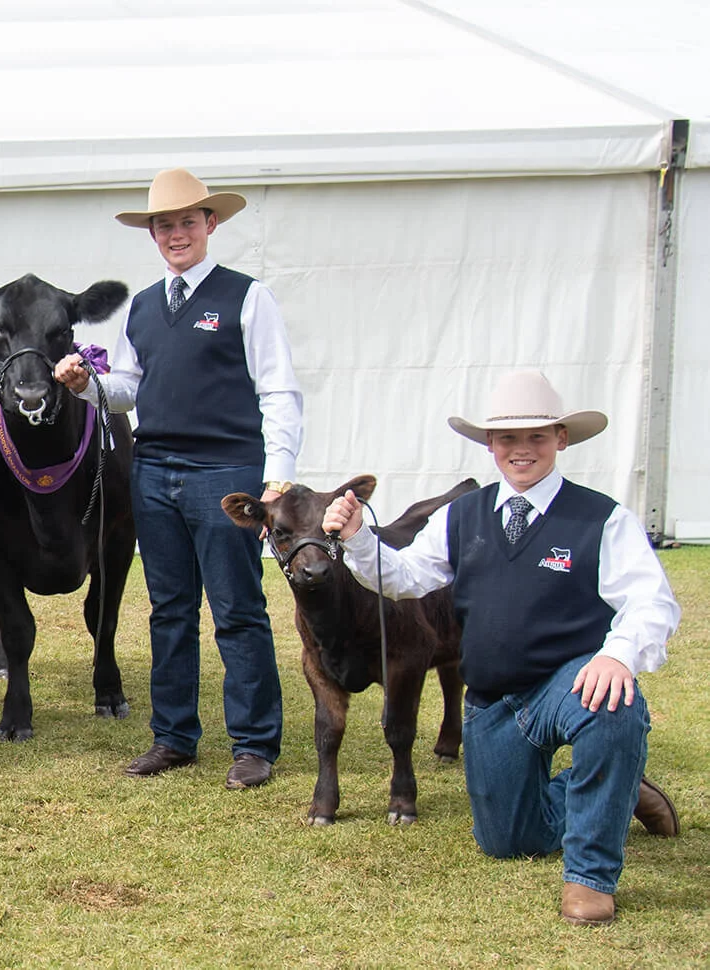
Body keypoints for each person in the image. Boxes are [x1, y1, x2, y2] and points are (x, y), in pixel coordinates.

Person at [323, 370, 680, 926]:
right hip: (491, 703)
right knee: (510, 841)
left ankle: (589, 878)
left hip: (570, 682)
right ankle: (621, 791)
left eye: (537, 436)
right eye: (508, 438)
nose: (522, 450)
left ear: (561, 439)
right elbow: (407, 576)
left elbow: (651, 602)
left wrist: (618, 654)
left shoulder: (602, 517)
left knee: (616, 706)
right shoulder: (461, 516)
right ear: (490, 445)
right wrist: (359, 541)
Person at [54, 168, 302, 789]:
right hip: (155, 472)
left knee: (238, 610)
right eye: (165, 225)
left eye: (188, 222)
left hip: (226, 475)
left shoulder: (248, 298)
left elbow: (279, 391)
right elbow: (128, 391)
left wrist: (278, 480)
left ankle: (253, 744)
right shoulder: (141, 307)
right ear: (153, 234)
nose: (176, 234)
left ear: (211, 224)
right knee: (169, 610)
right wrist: (90, 388)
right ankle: (173, 736)